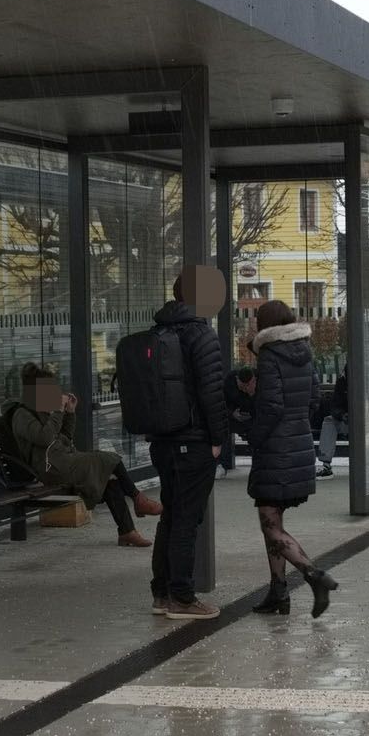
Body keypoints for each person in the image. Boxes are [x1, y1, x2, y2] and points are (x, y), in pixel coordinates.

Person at [239, 299, 340, 618]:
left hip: (275, 449)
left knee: (271, 526)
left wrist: (253, 433)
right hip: (296, 443)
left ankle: (314, 575)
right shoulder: (304, 352)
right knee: (273, 520)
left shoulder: (270, 356)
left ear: (265, 326)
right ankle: (278, 592)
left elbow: (270, 408)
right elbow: (313, 399)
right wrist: (295, 426)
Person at [2, 364, 162, 547]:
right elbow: (44, 438)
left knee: (111, 480)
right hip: (49, 469)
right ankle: (138, 499)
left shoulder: (41, 410)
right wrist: (57, 411)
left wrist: (69, 413)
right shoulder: (22, 415)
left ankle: (127, 532)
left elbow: (65, 437)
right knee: (107, 458)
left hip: (62, 461)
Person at [147, 265, 228, 620]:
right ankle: (182, 596)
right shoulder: (200, 334)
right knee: (186, 520)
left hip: (163, 440)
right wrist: (217, 439)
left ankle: (162, 593)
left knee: (169, 515)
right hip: (193, 440)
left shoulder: (159, 331)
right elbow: (212, 393)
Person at [313, 365, 348, 478]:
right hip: (348, 421)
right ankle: (326, 465)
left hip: (366, 421)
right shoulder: (342, 381)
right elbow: (335, 405)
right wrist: (342, 415)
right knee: (329, 421)